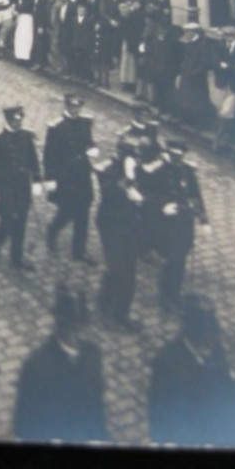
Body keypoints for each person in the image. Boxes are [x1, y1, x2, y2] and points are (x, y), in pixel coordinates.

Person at [13, 283, 109, 444]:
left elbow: (97, 409)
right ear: (57, 324)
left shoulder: (93, 355)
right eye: (67, 325)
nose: (72, 334)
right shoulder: (36, 366)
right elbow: (25, 426)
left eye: (77, 326)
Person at [148, 293, 235, 446]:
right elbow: (158, 417)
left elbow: (227, 389)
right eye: (204, 338)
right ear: (190, 334)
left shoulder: (216, 349)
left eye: (212, 336)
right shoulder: (166, 362)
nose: (210, 344)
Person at [146, 138, 210, 310]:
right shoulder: (158, 171)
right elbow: (145, 195)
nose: (176, 159)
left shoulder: (188, 171)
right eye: (173, 155)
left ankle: (173, 294)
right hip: (165, 224)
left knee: (180, 260)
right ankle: (168, 296)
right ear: (168, 153)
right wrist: (162, 206)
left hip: (184, 223)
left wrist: (203, 220)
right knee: (173, 261)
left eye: (179, 156)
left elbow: (196, 195)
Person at [0, 106, 43, 270]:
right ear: (8, 120)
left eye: (20, 120)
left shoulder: (26, 136)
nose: (18, 123)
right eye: (15, 121)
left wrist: (37, 180)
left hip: (22, 186)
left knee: (21, 218)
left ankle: (16, 256)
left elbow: (33, 159)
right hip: (5, 187)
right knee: (9, 218)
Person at [94, 137, 144, 333]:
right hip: (111, 225)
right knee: (121, 273)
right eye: (132, 155)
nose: (135, 159)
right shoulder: (109, 169)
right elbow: (109, 194)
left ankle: (113, 309)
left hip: (130, 225)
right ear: (122, 154)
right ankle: (112, 312)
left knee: (127, 271)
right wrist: (127, 181)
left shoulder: (135, 169)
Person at [43, 94, 99, 264]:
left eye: (78, 106)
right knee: (67, 211)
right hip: (65, 176)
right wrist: (50, 178)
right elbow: (49, 156)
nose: (75, 109)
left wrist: (92, 149)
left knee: (83, 213)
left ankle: (79, 250)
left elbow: (89, 142)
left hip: (82, 175)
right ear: (66, 106)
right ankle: (53, 230)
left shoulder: (85, 123)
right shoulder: (56, 128)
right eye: (72, 106)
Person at [212, 25, 235, 150]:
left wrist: (227, 66)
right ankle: (225, 137)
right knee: (220, 110)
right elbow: (215, 62)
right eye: (224, 36)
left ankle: (220, 139)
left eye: (228, 36)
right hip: (222, 83)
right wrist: (222, 66)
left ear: (233, 36)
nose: (225, 38)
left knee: (227, 112)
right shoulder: (220, 46)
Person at [175, 22, 213, 130]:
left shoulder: (203, 43)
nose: (185, 34)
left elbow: (205, 62)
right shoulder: (190, 42)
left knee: (199, 101)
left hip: (197, 79)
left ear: (193, 32)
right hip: (187, 76)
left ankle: (200, 125)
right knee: (187, 100)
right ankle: (189, 121)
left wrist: (195, 73)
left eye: (187, 31)